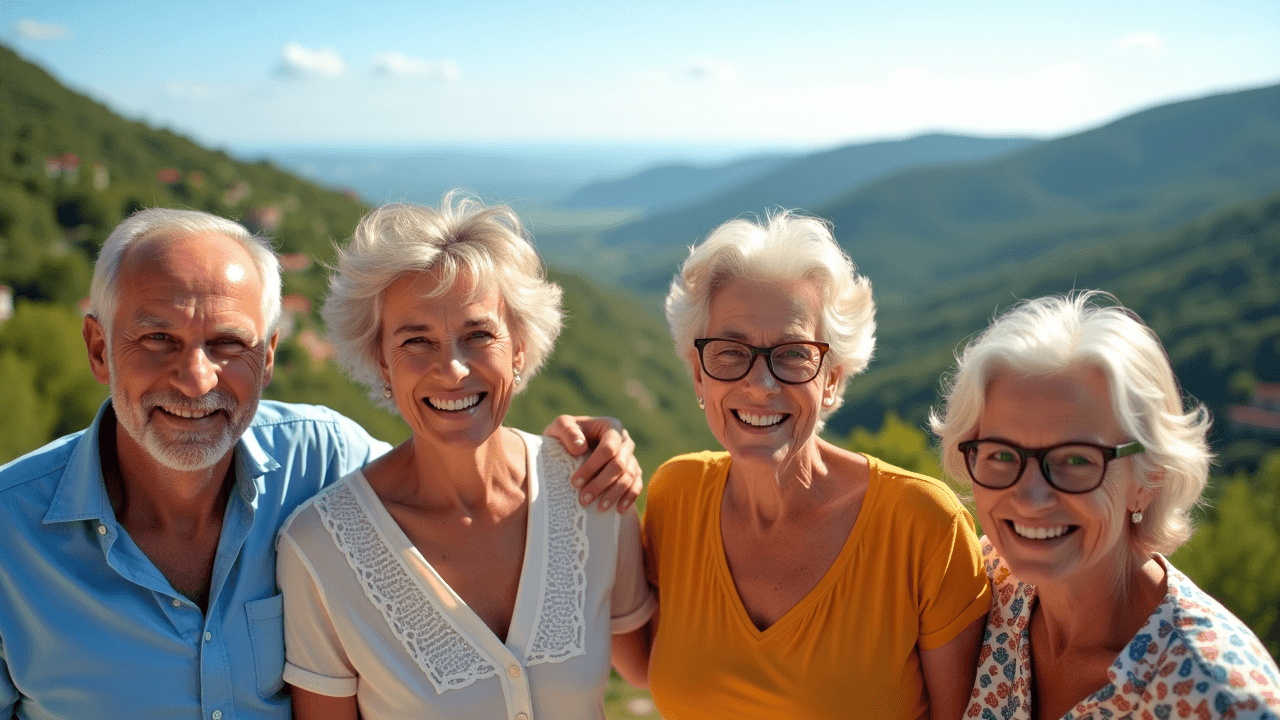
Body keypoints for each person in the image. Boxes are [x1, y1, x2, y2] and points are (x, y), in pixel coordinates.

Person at [0, 208, 642, 720]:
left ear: (268, 358)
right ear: (99, 348)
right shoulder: (9, 536)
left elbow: (445, 460)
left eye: (228, 343)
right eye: (158, 338)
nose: (196, 379)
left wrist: (586, 447)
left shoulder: (324, 456)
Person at [276, 197, 656, 720]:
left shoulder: (592, 490)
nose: (452, 369)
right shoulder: (319, 550)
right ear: (382, 362)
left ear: (519, 348)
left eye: (478, 335)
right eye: (416, 341)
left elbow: (659, 671)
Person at [638, 211, 992, 719]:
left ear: (832, 379)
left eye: (792, 354)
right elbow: (646, 663)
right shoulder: (676, 495)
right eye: (730, 351)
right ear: (698, 374)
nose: (760, 384)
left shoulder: (922, 525)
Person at [930, 292, 1280, 719]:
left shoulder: (1220, 699)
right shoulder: (982, 581)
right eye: (1001, 454)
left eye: (1076, 460)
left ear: (1149, 479)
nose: (1030, 497)